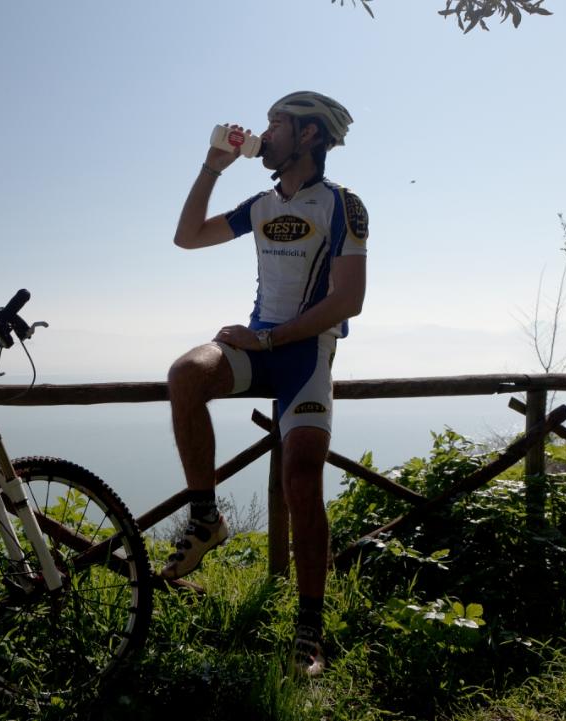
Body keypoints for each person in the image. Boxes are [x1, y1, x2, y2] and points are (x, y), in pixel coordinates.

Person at [162, 91, 368, 677]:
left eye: (278, 123)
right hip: (259, 346)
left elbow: (349, 300)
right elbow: (187, 237)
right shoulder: (259, 204)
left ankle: (309, 630)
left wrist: (272, 340)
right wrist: (212, 167)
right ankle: (206, 517)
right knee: (186, 373)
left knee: (301, 480)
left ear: (308, 135)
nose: (265, 132)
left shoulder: (343, 204)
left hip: (304, 355)